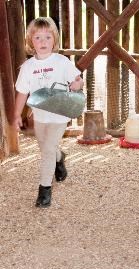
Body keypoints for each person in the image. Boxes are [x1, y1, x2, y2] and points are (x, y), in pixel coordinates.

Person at [13, 17, 84, 208]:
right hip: (40, 116)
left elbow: (78, 80)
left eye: (47, 37)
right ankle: (60, 159)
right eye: (37, 38)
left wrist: (77, 84)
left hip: (60, 114)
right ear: (30, 41)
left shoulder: (61, 62)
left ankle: (44, 191)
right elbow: (22, 92)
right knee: (47, 147)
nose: (43, 42)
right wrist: (17, 114)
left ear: (54, 40)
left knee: (46, 151)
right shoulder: (27, 68)